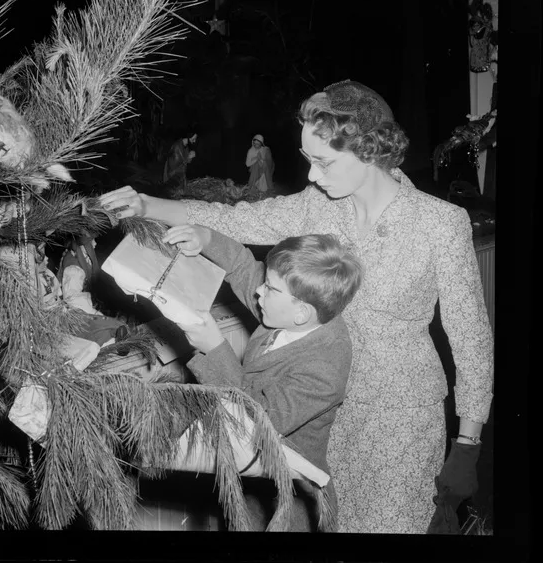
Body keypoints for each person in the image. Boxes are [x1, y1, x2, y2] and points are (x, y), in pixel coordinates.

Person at [99, 79, 494, 534]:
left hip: (400, 417)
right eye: (309, 160)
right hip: (320, 413)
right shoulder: (319, 206)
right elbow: (236, 219)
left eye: (323, 161)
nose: (311, 175)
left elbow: (471, 339)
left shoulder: (440, 223)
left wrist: (468, 442)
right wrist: (148, 203)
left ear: (367, 149)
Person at [161, 223, 362, 531]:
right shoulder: (291, 313)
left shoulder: (325, 369)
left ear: (301, 313)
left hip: (289, 500)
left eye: (270, 288)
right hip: (250, 481)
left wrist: (215, 348)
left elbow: (260, 418)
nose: (259, 291)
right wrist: (206, 238)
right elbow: (242, 265)